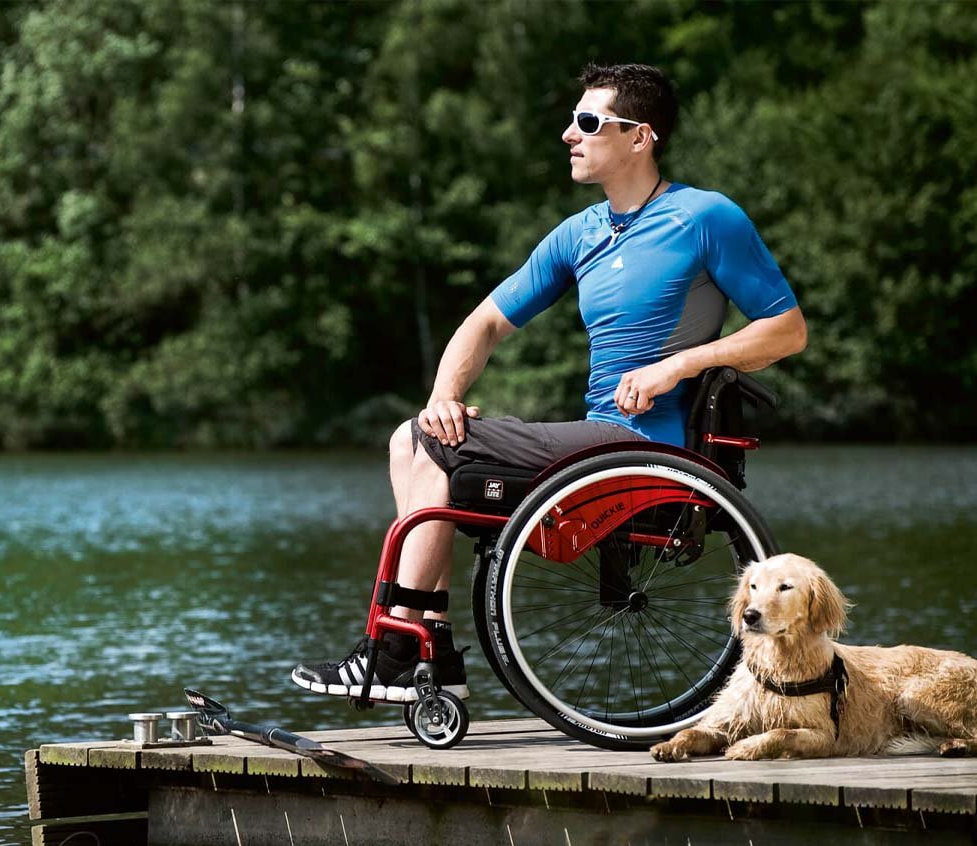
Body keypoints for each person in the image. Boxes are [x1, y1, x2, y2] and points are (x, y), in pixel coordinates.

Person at [292, 61, 807, 699]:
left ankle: (399, 649)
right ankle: (427, 646)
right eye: (572, 120)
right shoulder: (581, 233)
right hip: (599, 439)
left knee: (426, 443)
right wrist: (444, 397)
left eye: (588, 122)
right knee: (416, 434)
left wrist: (679, 364)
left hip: (648, 448)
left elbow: (787, 330)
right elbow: (484, 323)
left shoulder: (704, 217)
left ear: (640, 137)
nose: (569, 134)